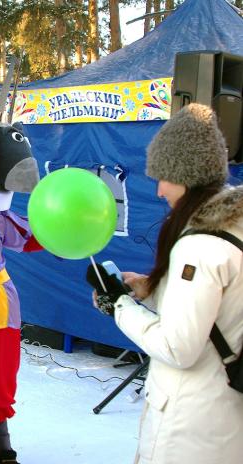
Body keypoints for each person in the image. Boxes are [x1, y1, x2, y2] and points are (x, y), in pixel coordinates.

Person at [86, 103, 243, 464]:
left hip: (191, 425)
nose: (158, 191)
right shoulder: (231, 229)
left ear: (184, 174)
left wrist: (120, 306)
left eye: (162, 177)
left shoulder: (199, 246)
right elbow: (217, 312)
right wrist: (150, 289)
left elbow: (177, 347)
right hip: (224, 419)